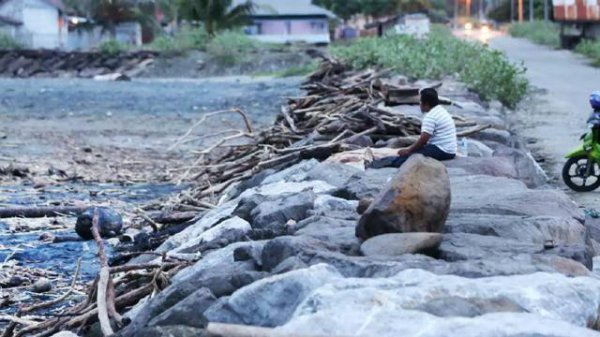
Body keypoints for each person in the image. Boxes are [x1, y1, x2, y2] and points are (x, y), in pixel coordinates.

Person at [368, 88, 457, 168]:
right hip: (449, 150)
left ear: (426, 104)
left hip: (443, 150)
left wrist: (408, 150)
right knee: (416, 151)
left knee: (411, 157)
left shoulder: (431, 117)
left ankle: (384, 163)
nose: (419, 104)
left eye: (420, 102)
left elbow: (424, 139)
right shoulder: (441, 110)